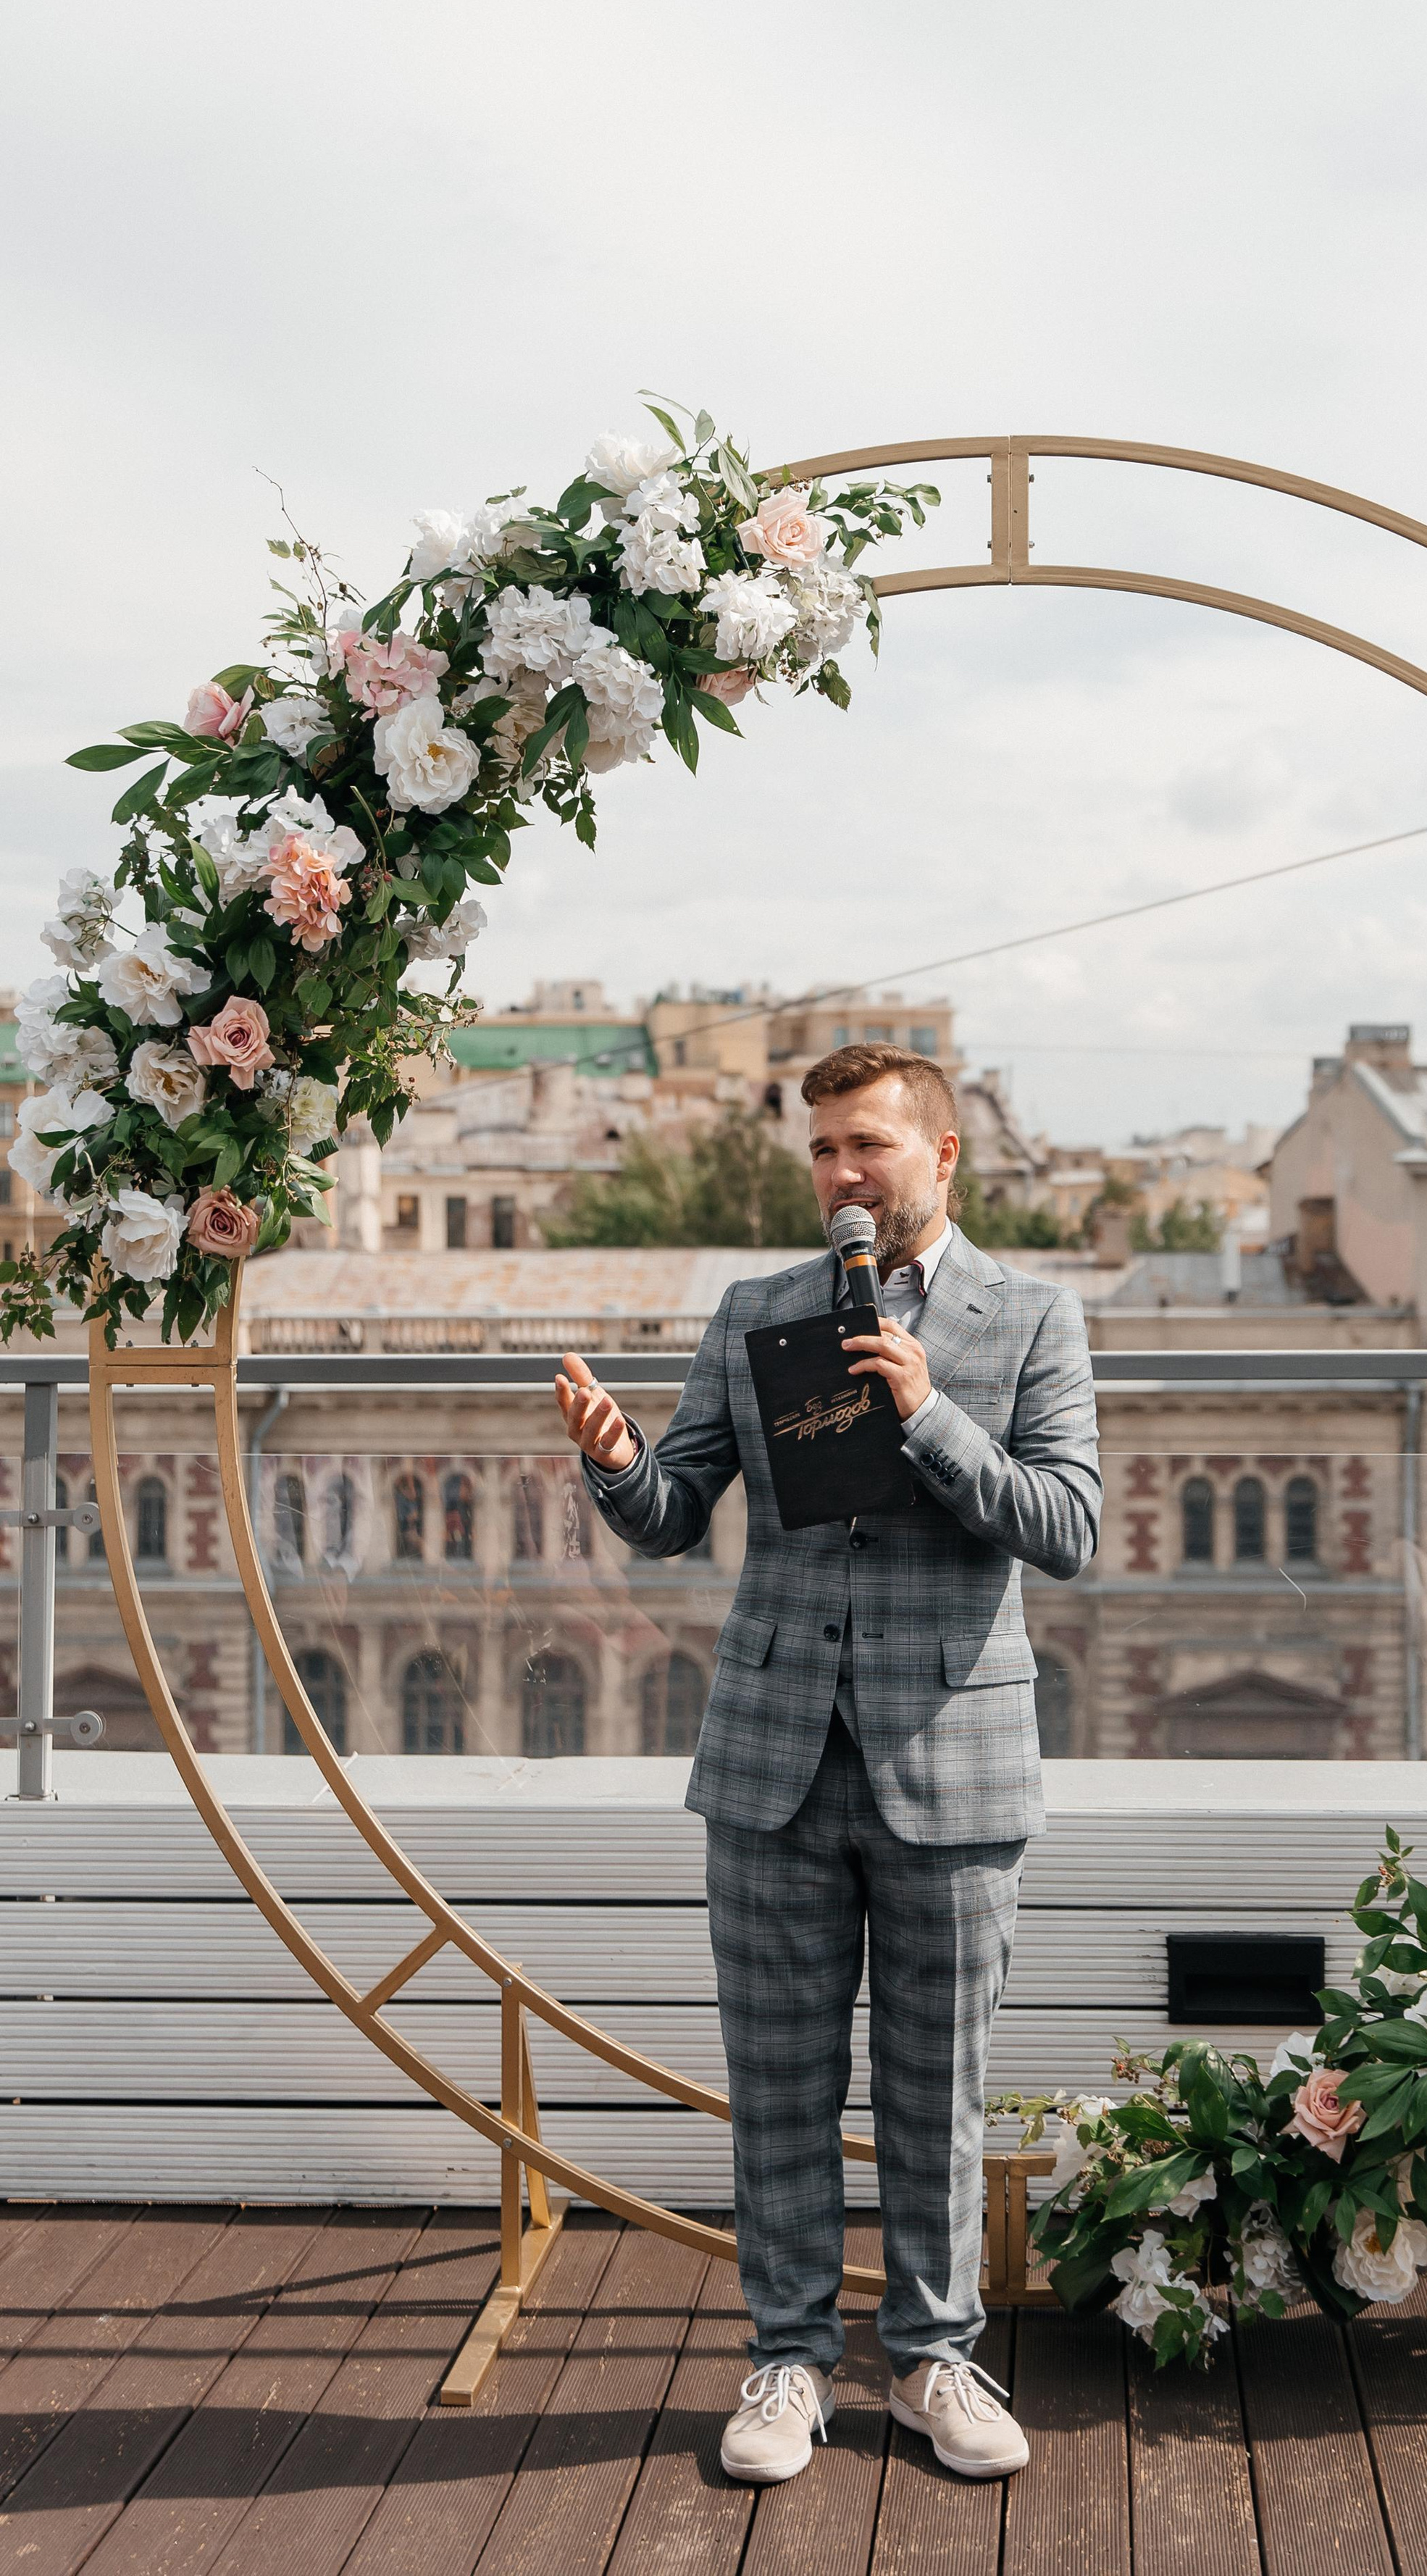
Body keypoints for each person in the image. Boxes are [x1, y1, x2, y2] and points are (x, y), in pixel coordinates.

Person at [555, 1041, 1100, 2485]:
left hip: (952, 1762)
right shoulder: (758, 1312)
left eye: (868, 1144)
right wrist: (617, 1459)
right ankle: (788, 2358)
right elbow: (676, 1513)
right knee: (779, 2085)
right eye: (822, 1151)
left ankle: (931, 2358)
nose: (843, 1174)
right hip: (773, 1759)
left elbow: (1065, 1526)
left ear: (942, 1155)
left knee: (937, 2088)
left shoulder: (1031, 1317)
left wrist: (927, 1412)